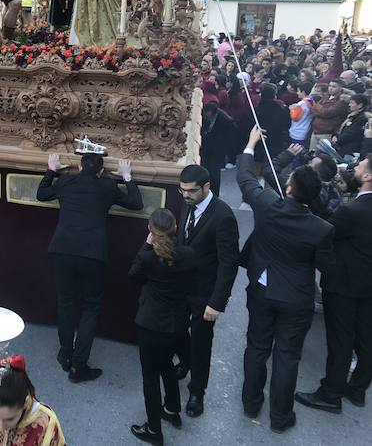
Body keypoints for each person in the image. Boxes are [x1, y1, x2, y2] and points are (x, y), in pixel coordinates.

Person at [237, 125, 335, 433]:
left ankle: (252, 401)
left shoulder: (268, 205)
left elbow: (245, 178)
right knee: (287, 356)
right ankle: (280, 417)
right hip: (296, 296)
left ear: (290, 189)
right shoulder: (320, 228)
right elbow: (325, 265)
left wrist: (251, 145)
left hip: (263, 289)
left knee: (257, 346)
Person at [37, 153, 143, 382]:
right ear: (100, 171)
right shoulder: (106, 186)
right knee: (90, 308)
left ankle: (65, 355)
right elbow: (136, 204)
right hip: (92, 254)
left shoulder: (65, 182)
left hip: (62, 250)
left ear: (79, 165)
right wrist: (127, 176)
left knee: (65, 303)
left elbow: (41, 194)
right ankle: (79, 366)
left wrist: (50, 169)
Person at [295, 153, 372, 412]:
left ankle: (331, 394)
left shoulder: (352, 211)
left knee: (341, 340)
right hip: (367, 285)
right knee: (365, 338)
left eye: (360, 166)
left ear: (368, 176)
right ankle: (358, 388)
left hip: (343, 285)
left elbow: (324, 232)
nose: (355, 168)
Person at [173, 164, 239, 418]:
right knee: (177, 331)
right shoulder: (186, 205)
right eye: (182, 191)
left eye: (190, 191)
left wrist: (217, 302)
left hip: (205, 294)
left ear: (207, 187)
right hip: (181, 288)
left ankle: (197, 392)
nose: (185, 195)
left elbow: (228, 262)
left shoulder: (223, 216)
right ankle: (185, 363)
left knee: (201, 344)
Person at [128, 209, 198, 445]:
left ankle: (154, 430)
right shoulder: (188, 255)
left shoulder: (148, 257)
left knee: (150, 377)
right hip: (177, 324)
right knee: (167, 366)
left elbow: (133, 276)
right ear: (175, 228)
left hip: (151, 324)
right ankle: (172, 409)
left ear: (151, 232)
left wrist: (146, 246)